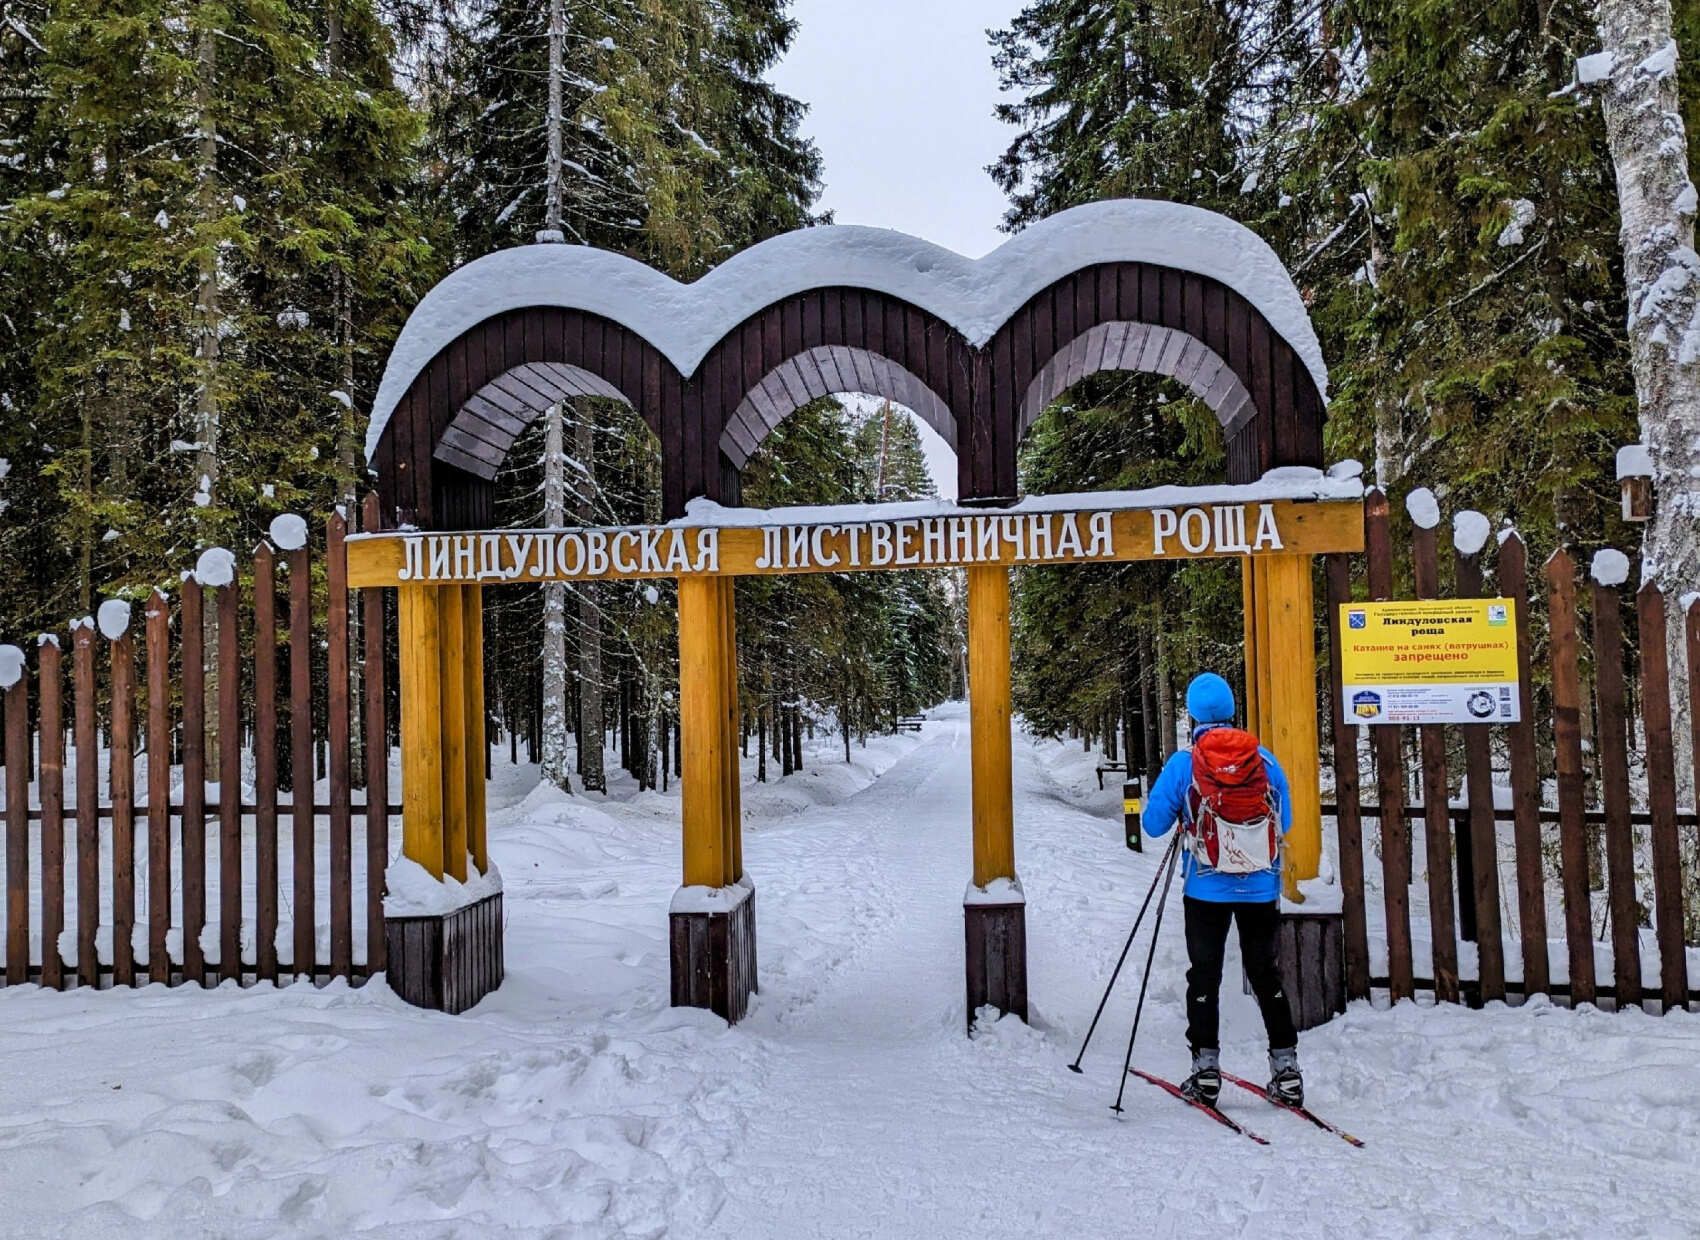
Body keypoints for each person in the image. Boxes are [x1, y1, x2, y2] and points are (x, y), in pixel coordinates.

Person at [1142, 672, 1301, 1109]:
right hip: (1260, 887)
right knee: (1265, 972)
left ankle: (1206, 1071)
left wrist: (1186, 813)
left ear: (1192, 714)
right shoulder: (1264, 761)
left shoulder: (1184, 763)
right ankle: (1286, 1071)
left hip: (1205, 889)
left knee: (1204, 977)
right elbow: (1282, 824)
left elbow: (1152, 826)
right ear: (1232, 711)